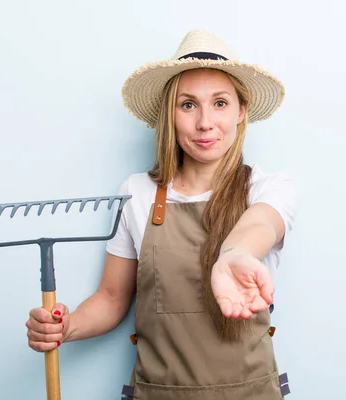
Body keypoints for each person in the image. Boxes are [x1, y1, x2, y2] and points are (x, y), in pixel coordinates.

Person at [25, 29, 298, 399]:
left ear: (241, 111)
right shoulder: (136, 194)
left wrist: (233, 255)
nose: (205, 123)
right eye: (188, 105)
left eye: (220, 103)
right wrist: (66, 327)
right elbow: (110, 299)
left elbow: (261, 224)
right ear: (169, 113)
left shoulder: (267, 188)